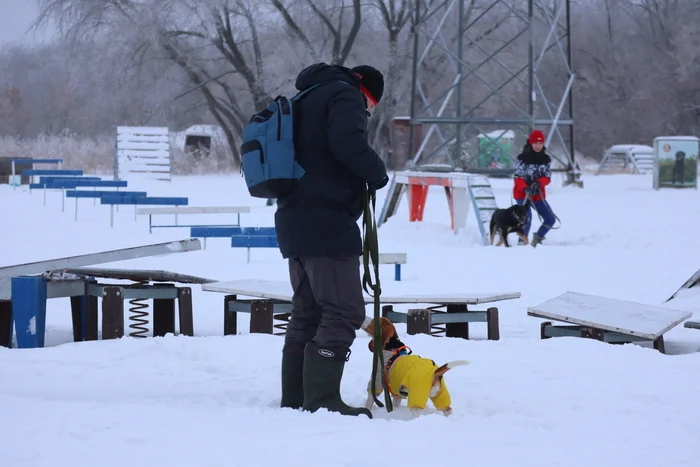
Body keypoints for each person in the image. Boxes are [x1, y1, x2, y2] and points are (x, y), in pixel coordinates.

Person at [274, 62, 389, 418]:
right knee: (343, 309)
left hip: (294, 217)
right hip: (327, 221)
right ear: (367, 93)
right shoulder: (345, 95)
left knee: (308, 309)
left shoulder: (306, 96)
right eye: (371, 107)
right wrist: (377, 172)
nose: (368, 112)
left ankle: (296, 397)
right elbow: (347, 143)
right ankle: (322, 400)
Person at [512, 129, 557, 247]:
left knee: (550, 219)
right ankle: (522, 242)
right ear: (531, 143)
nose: (538, 146)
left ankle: (538, 237)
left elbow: (547, 177)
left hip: (537, 194)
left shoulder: (545, 159)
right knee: (527, 218)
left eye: (540, 143)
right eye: (536, 143)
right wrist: (525, 188)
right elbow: (517, 177)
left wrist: (539, 183)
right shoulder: (522, 158)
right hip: (523, 194)